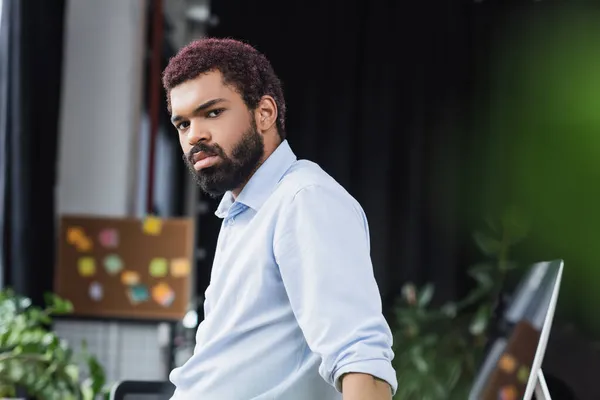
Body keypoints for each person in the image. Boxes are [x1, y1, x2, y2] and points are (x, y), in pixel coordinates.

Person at [163, 37, 397, 400]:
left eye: (212, 112)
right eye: (182, 124)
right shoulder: (242, 213)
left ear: (265, 113)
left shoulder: (304, 199)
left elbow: (361, 359)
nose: (195, 135)